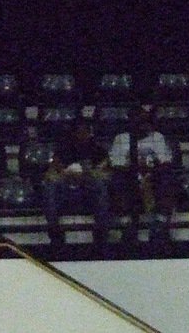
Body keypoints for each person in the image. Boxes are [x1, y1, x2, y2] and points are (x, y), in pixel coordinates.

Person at [108, 106, 176, 248]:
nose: (143, 124)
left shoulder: (157, 137)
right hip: (129, 175)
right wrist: (136, 167)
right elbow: (116, 164)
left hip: (153, 174)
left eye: (145, 120)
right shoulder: (121, 138)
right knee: (117, 180)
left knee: (167, 179)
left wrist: (149, 172)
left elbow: (165, 162)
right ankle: (127, 225)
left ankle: (160, 224)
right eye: (139, 121)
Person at [40, 121, 111, 251]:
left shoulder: (98, 150)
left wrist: (88, 175)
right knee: (50, 188)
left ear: (90, 134)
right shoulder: (63, 150)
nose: (82, 135)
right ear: (74, 134)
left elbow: (105, 173)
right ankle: (54, 230)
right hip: (66, 190)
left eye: (85, 132)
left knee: (100, 186)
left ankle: (101, 232)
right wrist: (65, 174)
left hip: (87, 191)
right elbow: (50, 174)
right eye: (79, 132)